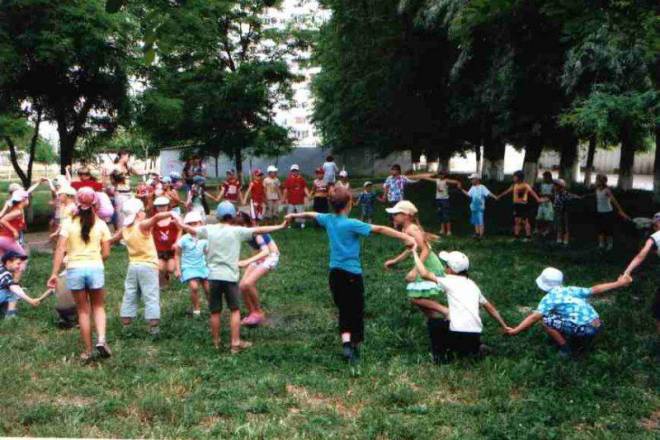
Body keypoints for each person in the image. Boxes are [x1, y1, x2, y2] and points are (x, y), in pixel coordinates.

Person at [285, 187, 416, 363]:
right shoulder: (352, 223)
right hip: (352, 274)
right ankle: (354, 344)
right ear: (349, 204)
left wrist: (293, 215)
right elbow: (379, 229)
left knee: (343, 308)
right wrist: (405, 237)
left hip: (334, 274)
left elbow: (312, 214)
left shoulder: (328, 219)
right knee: (355, 309)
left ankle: (346, 343)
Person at [177, 201, 289, 353]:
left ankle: (216, 343)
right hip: (230, 277)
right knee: (235, 310)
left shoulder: (209, 229)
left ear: (217, 216)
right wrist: (281, 226)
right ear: (233, 216)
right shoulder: (238, 231)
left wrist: (178, 221)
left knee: (215, 312)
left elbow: (189, 229)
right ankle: (235, 343)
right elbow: (260, 229)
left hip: (213, 277)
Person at [410, 246, 508, 363]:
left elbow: (424, 274)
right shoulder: (472, 285)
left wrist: (415, 253)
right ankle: (475, 348)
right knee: (465, 341)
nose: (445, 268)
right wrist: (504, 326)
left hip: (457, 335)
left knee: (434, 323)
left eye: (447, 266)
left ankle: (441, 358)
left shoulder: (449, 280)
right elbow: (491, 308)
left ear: (452, 270)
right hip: (475, 335)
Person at [505, 267, 632, 357]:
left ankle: (566, 350)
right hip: (598, 324)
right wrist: (618, 283)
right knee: (559, 315)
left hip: (585, 329)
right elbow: (595, 289)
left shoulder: (549, 299)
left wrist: (516, 330)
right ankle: (585, 342)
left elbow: (534, 317)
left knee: (546, 320)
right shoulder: (570, 289)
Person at [47, 188, 112, 362]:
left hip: (74, 269)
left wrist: (54, 273)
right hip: (95, 267)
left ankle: (88, 351)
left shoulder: (68, 223)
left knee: (83, 311)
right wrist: (96, 262)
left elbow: (60, 249)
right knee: (98, 307)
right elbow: (106, 252)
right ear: (95, 204)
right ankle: (101, 339)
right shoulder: (101, 224)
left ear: (77, 202)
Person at [116, 198, 174, 337]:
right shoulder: (142, 225)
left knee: (130, 294)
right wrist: (172, 213)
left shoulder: (125, 228)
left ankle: (126, 326)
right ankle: (154, 328)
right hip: (148, 266)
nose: (144, 212)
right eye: (142, 210)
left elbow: (112, 239)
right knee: (151, 295)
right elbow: (156, 218)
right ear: (137, 213)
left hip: (133, 266)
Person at [384, 201, 447, 322]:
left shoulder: (411, 229)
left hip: (428, 264)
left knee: (415, 298)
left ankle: (445, 311)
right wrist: (395, 261)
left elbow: (426, 249)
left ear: (406, 216)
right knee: (419, 297)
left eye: (396, 214)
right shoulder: (405, 229)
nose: (393, 216)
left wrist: (415, 270)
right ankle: (435, 320)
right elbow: (410, 249)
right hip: (422, 263)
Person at [236, 212, 280, 327]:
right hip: (260, 257)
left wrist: (247, 261)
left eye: (239, 226)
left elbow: (266, 251)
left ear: (246, 224)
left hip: (271, 256)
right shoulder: (245, 232)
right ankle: (252, 313)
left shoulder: (256, 233)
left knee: (248, 283)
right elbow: (257, 249)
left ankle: (259, 313)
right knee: (242, 286)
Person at [622, 211, 660, 344]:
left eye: (655, 225)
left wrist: (627, 272)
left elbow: (641, 255)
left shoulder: (655, 237)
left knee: (658, 311)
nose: (654, 228)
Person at [174, 211, 209, 318]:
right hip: (189, 267)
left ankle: (212, 307)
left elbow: (207, 252)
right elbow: (177, 255)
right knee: (194, 287)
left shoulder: (204, 238)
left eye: (195, 223)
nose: (193, 226)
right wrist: (178, 269)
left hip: (202, 266)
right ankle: (196, 309)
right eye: (190, 224)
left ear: (201, 223)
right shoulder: (184, 239)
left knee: (208, 288)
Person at [496, 170, 545, 241]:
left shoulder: (525, 185)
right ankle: (516, 237)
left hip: (523, 205)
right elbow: (507, 191)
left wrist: (538, 199)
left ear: (519, 177)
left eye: (515, 177)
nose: (513, 178)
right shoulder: (514, 185)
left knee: (525, 221)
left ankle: (528, 237)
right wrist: (499, 196)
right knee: (517, 221)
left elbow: (532, 192)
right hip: (516, 205)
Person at [586, 174, 630, 251]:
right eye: (596, 180)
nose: (596, 181)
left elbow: (614, 201)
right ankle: (601, 245)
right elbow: (596, 195)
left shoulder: (607, 190)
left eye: (597, 180)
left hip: (608, 213)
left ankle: (610, 245)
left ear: (602, 182)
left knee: (608, 229)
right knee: (600, 229)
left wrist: (621, 211)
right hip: (599, 212)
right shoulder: (597, 189)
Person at [419, 170, 462, 236]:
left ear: (444, 175)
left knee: (446, 215)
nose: (441, 176)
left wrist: (459, 184)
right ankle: (442, 230)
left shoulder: (446, 180)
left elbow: (456, 181)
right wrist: (421, 176)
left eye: (442, 174)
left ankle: (449, 231)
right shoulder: (437, 180)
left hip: (445, 200)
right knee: (440, 215)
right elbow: (428, 178)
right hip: (438, 199)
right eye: (439, 174)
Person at [152, 196, 181, 287]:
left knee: (171, 269)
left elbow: (180, 229)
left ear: (168, 206)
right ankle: (162, 281)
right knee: (160, 268)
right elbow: (150, 232)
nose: (162, 208)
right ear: (156, 207)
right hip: (159, 248)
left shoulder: (173, 218)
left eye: (164, 206)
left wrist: (177, 241)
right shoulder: (154, 219)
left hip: (171, 248)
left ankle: (167, 274)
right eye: (159, 206)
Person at [1, 251, 39, 319]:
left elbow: (13, 284)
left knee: (14, 290)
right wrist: (30, 300)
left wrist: (16, 277)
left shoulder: (2, 268)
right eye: (18, 263)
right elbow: (14, 287)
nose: (19, 266)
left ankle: (4, 308)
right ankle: (10, 315)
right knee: (14, 292)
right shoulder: (5, 274)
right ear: (8, 262)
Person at [460, 174, 498, 239]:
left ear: (477, 179)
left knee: (480, 221)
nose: (471, 181)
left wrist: (494, 196)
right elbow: (468, 194)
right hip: (473, 207)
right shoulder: (472, 187)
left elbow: (488, 193)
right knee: (476, 221)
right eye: (471, 179)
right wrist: (461, 189)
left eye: (472, 179)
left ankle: (481, 235)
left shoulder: (482, 187)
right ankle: (477, 233)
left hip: (480, 207)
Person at [112, 149, 141, 229]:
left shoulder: (127, 167)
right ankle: (120, 233)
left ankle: (130, 230)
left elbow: (138, 173)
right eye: (128, 156)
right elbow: (113, 180)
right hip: (120, 193)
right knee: (121, 215)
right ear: (123, 155)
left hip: (129, 193)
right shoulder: (115, 167)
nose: (128, 158)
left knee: (132, 212)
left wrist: (130, 166)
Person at [552, 179, 581, 246]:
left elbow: (572, 196)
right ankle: (559, 240)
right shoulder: (556, 193)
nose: (554, 186)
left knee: (566, 226)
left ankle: (566, 241)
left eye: (556, 185)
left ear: (560, 186)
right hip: (558, 211)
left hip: (565, 212)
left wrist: (577, 197)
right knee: (559, 226)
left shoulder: (565, 193)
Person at [283, 164, 311, 228]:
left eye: (295, 171)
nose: (294, 172)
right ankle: (289, 224)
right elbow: (286, 189)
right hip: (291, 200)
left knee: (301, 212)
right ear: (291, 171)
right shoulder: (288, 180)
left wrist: (308, 195)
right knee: (290, 213)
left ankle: (302, 224)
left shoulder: (302, 179)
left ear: (298, 171)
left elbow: (305, 188)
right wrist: (284, 198)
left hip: (299, 200)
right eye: (293, 171)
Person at [535, 171, 555, 237]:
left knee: (548, 218)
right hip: (542, 202)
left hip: (549, 203)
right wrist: (542, 195)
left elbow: (553, 195)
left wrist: (547, 196)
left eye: (546, 177)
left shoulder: (553, 185)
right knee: (539, 217)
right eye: (544, 177)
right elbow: (539, 193)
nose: (544, 178)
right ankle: (538, 230)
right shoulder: (542, 184)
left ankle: (547, 230)